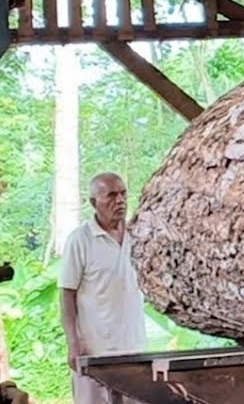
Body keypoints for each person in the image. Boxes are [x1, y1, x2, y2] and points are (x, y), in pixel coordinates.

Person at [58, 172, 146, 404]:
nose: (120, 201)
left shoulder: (138, 236)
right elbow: (67, 294)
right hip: (94, 352)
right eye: (111, 195)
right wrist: (73, 343)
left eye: (123, 194)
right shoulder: (80, 240)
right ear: (93, 202)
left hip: (134, 350)